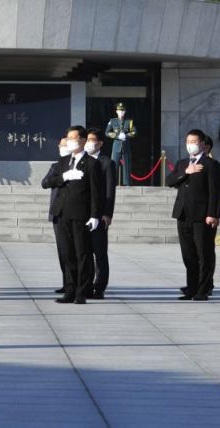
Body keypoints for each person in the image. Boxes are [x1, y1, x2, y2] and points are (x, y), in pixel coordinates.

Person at [42, 126, 103, 305]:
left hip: (81, 214)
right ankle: (69, 290)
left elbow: (96, 192)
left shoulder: (92, 163)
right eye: (68, 138)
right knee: (67, 254)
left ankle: (81, 292)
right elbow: (46, 183)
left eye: (73, 138)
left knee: (82, 254)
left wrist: (95, 215)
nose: (70, 141)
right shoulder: (63, 162)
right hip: (62, 213)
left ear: (83, 140)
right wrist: (65, 177)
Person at [167, 129, 220, 301]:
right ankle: (191, 287)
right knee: (188, 254)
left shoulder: (211, 165)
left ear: (202, 144)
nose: (191, 145)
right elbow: (170, 181)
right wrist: (186, 172)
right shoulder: (183, 163)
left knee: (204, 253)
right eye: (188, 141)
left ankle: (203, 289)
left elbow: (216, 192)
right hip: (183, 214)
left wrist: (213, 214)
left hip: (202, 216)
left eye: (194, 141)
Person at [84, 128, 116, 299]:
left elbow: (110, 191)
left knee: (100, 253)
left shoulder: (106, 163)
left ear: (100, 143)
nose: (88, 143)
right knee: (85, 252)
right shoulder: (82, 161)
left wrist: (107, 214)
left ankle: (100, 286)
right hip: (83, 213)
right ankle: (87, 285)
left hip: (100, 214)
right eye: (87, 139)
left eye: (92, 139)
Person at [105, 102, 136, 186]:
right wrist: (117, 136)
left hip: (126, 146)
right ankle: (112, 183)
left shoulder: (129, 121)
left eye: (122, 111)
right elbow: (107, 132)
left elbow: (134, 132)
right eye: (119, 111)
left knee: (127, 166)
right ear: (116, 111)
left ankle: (127, 184)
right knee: (114, 165)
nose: (121, 112)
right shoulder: (113, 121)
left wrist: (126, 135)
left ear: (125, 112)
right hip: (116, 146)